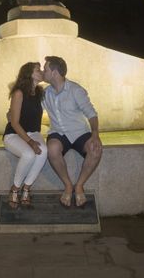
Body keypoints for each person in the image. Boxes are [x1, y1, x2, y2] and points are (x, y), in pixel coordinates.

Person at [42, 56, 102, 208]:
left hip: (79, 132)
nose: (43, 72)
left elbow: (92, 114)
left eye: (46, 69)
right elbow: (30, 107)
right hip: (58, 133)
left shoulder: (76, 90)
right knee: (52, 148)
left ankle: (79, 185)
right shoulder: (44, 93)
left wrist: (95, 134)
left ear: (55, 72)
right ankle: (68, 185)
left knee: (95, 150)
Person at [3, 62, 48, 207]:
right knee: (29, 154)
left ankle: (26, 188)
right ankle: (15, 189)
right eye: (38, 69)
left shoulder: (40, 93)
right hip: (14, 134)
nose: (41, 71)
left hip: (33, 132)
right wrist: (31, 142)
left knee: (44, 152)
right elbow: (15, 123)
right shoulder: (19, 93)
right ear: (29, 73)